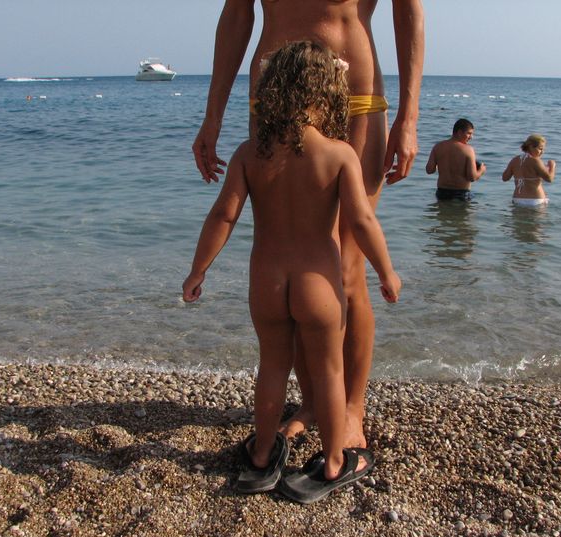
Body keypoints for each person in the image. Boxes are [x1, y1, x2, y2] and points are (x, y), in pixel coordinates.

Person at [191, 0, 424, 450]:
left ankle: (352, 409)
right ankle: (314, 402)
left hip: (355, 94)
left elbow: (408, 9)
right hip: (273, 98)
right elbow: (237, 15)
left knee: (345, 268)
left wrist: (408, 117)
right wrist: (212, 115)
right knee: (290, 256)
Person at [425, 118, 486, 200]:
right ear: (459, 132)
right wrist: (481, 170)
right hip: (461, 194)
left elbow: (429, 170)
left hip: (441, 193)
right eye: (469, 133)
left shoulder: (438, 147)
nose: (471, 137)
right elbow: (472, 177)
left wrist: (440, 163)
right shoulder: (468, 150)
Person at [502, 134, 557, 207]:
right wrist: (552, 166)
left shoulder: (514, 160)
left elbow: (505, 178)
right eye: (540, 149)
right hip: (535, 200)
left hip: (517, 199)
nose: (542, 152)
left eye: (543, 149)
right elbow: (549, 179)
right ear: (531, 146)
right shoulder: (536, 161)